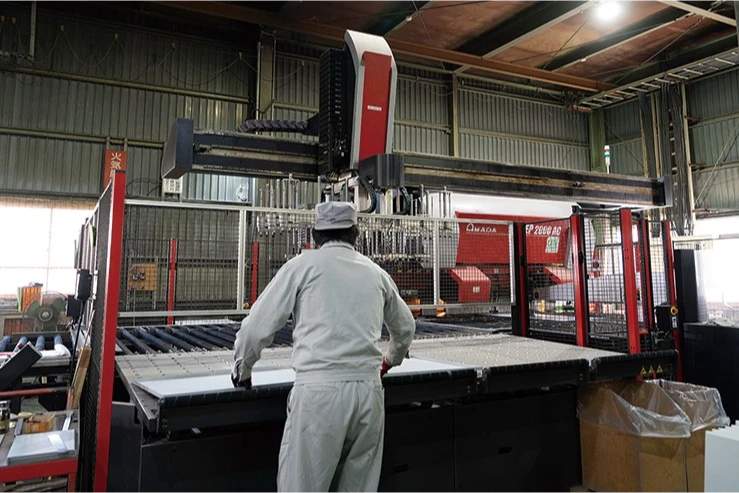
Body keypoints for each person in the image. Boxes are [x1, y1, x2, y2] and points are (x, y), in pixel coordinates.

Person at [232, 201, 416, 493]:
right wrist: (389, 361)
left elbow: (256, 327)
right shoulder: (375, 273)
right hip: (368, 395)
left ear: (315, 235)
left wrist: (243, 369)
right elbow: (405, 328)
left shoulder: (301, 267)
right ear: (355, 233)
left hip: (319, 398)